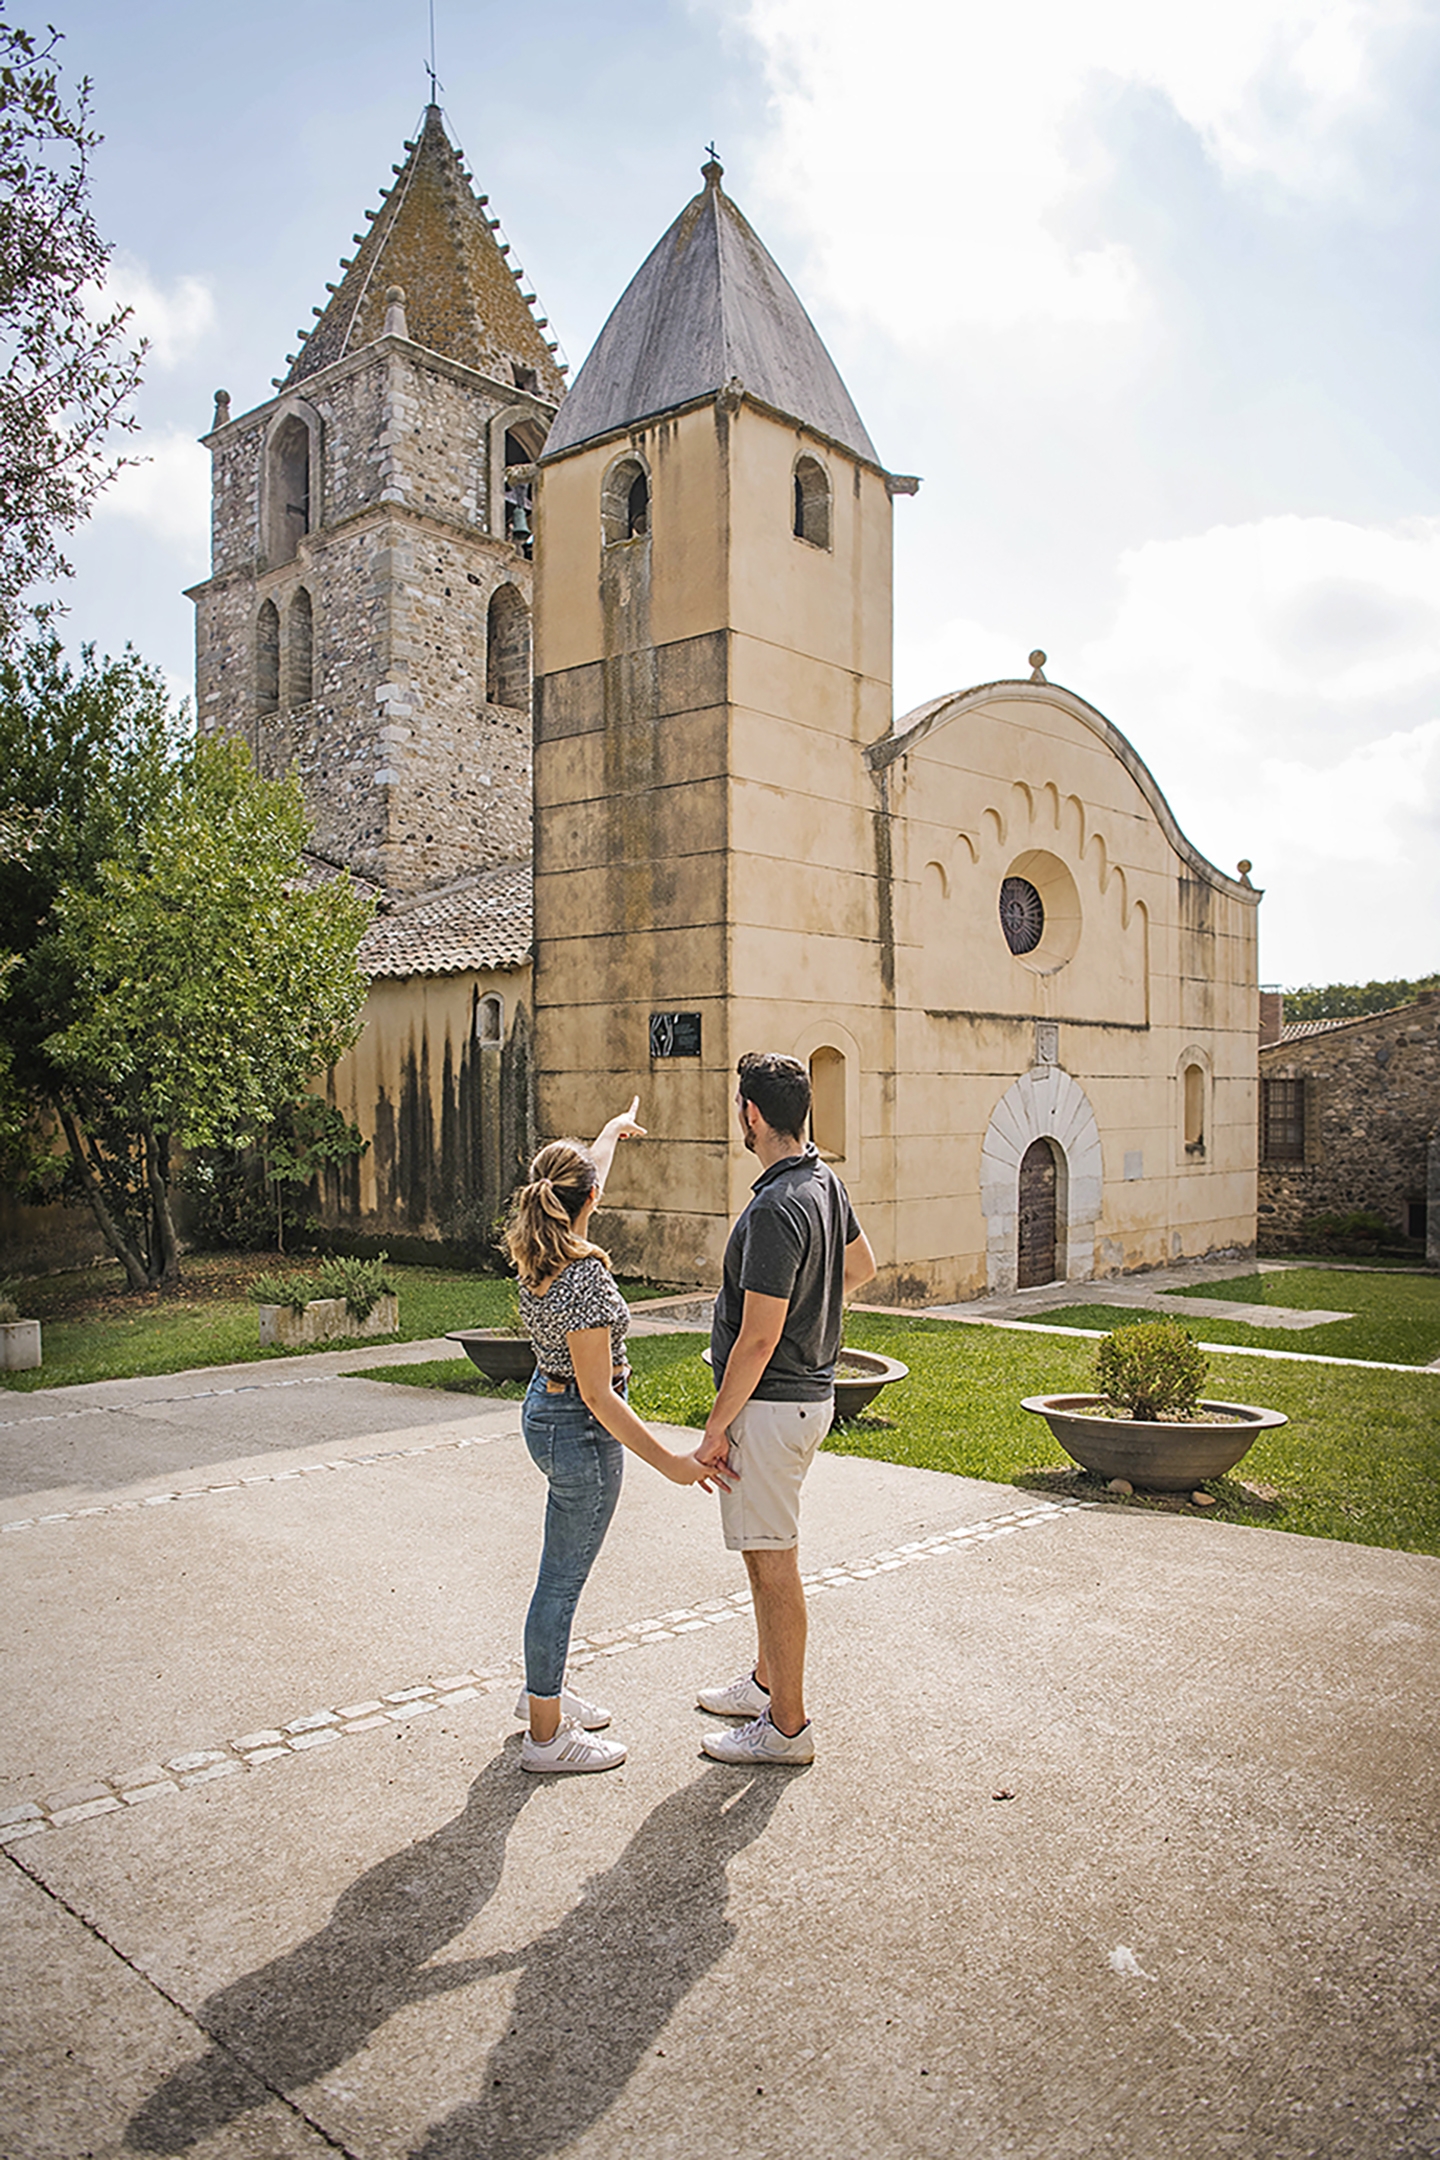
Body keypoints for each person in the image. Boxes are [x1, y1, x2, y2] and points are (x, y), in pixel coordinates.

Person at [504, 1098, 729, 1775]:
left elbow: (581, 1177)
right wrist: (674, 1464)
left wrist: (606, 1136)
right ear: (588, 1200)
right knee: (560, 1584)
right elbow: (601, 1396)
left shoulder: (539, 1250)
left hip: (544, 1411)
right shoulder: (586, 1277)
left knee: (557, 1575)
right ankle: (546, 1737)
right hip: (579, 1428)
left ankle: (544, 1693)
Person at [695, 1052, 876, 1764]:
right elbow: (860, 1268)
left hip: (771, 1409)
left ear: (751, 1115)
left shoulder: (775, 1207)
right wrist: (813, 1313)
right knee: (765, 1554)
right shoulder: (823, 1183)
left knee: (774, 1568)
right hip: (805, 1400)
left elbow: (761, 1335)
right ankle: (767, 1682)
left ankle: (786, 1728)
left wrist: (715, 1427)